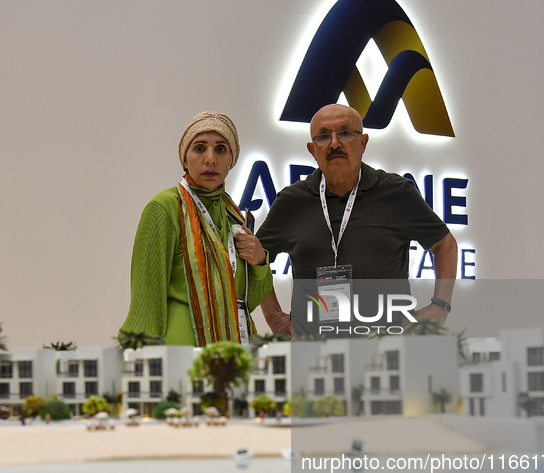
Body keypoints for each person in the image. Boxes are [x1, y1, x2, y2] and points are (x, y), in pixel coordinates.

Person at [257, 104, 457, 336]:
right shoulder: (291, 202)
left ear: (363, 143)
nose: (334, 143)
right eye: (323, 136)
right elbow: (256, 260)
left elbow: (445, 244)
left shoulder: (396, 192)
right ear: (312, 150)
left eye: (345, 133)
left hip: (386, 352)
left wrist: (440, 305)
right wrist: (273, 315)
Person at [119, 112, 273, 347]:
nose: (210, 159)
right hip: (180, 357)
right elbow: (146, 298)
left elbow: (245, 302)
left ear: (232, 159)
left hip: (234, 352)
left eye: (221, 149)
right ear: (184, 158)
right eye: (200, 148)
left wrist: (260, 262)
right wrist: (145, 363)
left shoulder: (232, 213)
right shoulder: (165, 206)